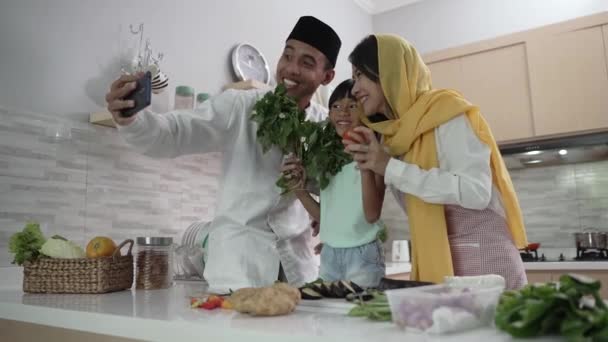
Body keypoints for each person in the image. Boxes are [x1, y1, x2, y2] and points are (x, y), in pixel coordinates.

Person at [104, 16, 341, 290]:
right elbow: (174, 133)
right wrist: (131, 118)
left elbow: (336, 186)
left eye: (306, 62)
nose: (291, 68)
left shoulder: (327, 126)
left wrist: (332, 217)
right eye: (287, 55)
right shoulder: (241, 107)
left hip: (299, 275)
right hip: (238, 271)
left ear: (327, 76)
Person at [344, 34, 528, 289]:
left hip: (485, 265)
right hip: (441, 269)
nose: (354, 90)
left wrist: (389, 167)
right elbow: (371, 213)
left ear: (387, 71)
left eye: (360, 76)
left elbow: (476, 191)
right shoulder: (392, 137)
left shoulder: (445, 112)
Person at [281, 79, 386, 288]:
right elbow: (327, 219)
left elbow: (372, 214)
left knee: (360, 319)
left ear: (367, 112)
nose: (343, 112)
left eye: (352, 106)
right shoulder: (328, 162)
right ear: (329, 115)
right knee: (330, 320)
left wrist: (364, 167)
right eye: (336, 106)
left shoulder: (376, 158)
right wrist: (300, 191)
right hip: (330, 255)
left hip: (363, 255)